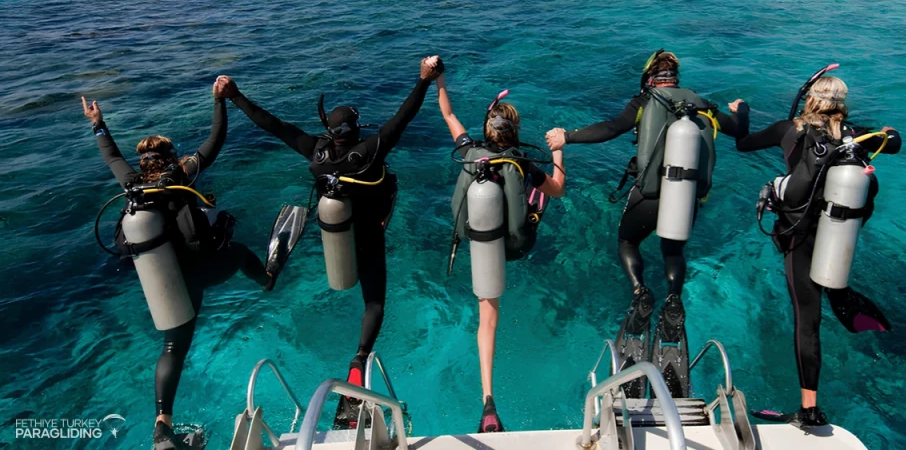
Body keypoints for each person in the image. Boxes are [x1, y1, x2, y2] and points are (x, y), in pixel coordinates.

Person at [216, 56, 442, 429]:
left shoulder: (315, 151)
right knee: (374, 302)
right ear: (355, 129)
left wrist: (235, 95)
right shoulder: (371, 150)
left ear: (330, 131)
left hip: (333, 237)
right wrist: (423, 80)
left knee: (317, 229)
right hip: (369, 232)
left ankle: (269, 274)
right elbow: (405, 116)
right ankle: (358, 361)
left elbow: (273, 125)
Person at [82, 78, 274, 450]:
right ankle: (266, 280)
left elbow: (111, 156)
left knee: (173, 348)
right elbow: (215, 141)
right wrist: (219, 101)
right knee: (237, 252)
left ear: (143, 163)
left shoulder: (133, 185)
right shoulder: (183, 175)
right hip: (199, 271)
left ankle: (162, 429)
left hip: (166, 282)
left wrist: (98, 123)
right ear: (171, 158)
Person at [545, 50, 748, 398]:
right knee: (673, 249)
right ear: (676, 77)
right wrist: (740, 109)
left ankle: (640, 291)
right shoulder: (702, 105)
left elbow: (611, 128)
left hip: (648, 197)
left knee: (628, 242)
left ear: (650, 77)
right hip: (685, 198)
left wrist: (569, 137)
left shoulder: (643, 101)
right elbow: (740, 132)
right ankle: (673, 300)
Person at [736, 73, 901, 428]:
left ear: (811, 98)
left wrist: (742, 111)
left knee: (806, 321)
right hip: (836, 229)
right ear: (842, 103)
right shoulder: (856, 135)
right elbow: (895, 142)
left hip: (797, 235)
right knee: (828, 286)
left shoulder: (788, 129)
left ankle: (808, 410)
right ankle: (843, 296)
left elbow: (743, 143)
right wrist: (887, 132)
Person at [437, 71, 566, 433]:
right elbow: (558, 189)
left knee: (487, 320)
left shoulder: (468, 151)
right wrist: (558, 154)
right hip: (516, 244)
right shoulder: (524, 162)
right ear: (514, 132)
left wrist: (438, 80)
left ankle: (488, 402)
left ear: (487, 130)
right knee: (540, 197)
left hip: (481, 246)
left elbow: (448, 114)